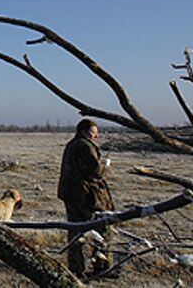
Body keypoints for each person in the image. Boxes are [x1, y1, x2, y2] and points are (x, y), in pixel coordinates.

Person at [57, 119, 115, 278]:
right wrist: (106, 166)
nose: (96, 135)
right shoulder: (84, 146)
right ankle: (101, 266)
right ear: (84, 131)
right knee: (101, 229)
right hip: (87, 196)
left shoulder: (72, 145)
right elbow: (95, 171)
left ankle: (76, 269)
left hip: (72, 194)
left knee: (76, 231)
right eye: (94, 132)